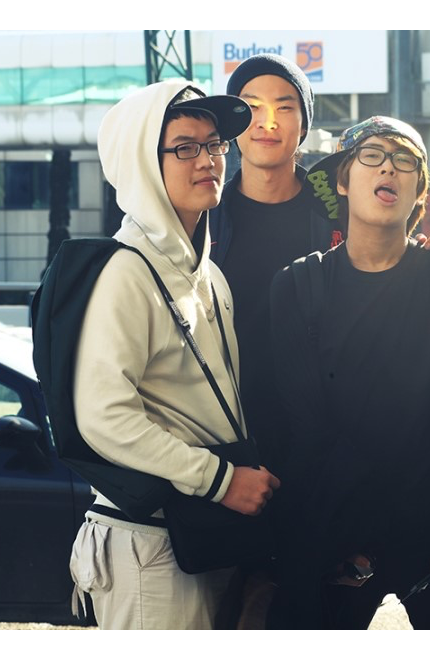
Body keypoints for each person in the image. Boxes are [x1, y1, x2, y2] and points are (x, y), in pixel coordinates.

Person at [68, 81, 280, 630]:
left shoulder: (208, 275)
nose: (208, 159)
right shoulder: (125, 272)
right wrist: (220, 480)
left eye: (214, 144)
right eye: (186, 147)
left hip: (204, 534)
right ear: (143, 162)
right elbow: (103, 417)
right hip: (148, 545)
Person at [268, 116, 430, 629]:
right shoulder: (299, 286)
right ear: (343, 180)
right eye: (371, 155)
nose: (388, 168)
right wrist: (334, 540)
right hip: (331, 529)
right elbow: (304, 425)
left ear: (419, 192)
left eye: (404, 161)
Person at [210, 54, 430, 477]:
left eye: (284, 107)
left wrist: (429, 255)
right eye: (251, 107)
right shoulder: (206, 218)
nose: (267, 122)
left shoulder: (338, 209)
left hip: (331, 443)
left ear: (303, 126)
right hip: (230, 436)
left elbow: (387, 254)